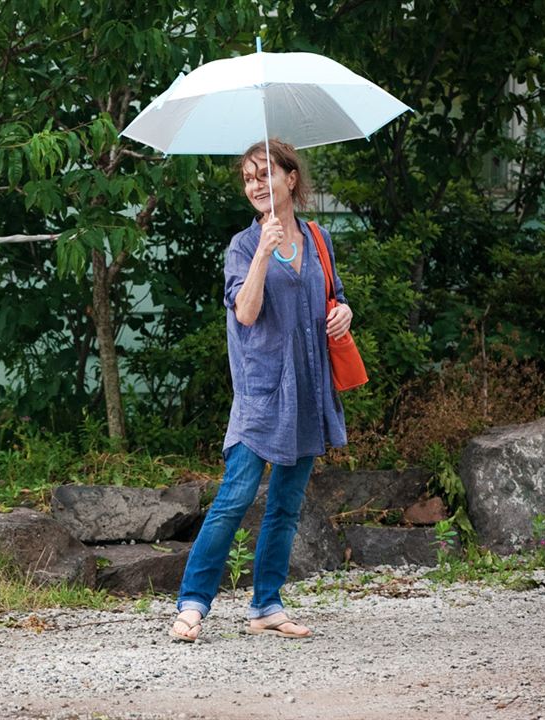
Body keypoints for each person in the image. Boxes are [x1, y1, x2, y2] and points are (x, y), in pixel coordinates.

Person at [169, 139, 351, 643]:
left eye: (263, 174)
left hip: (308, 387)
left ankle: (266, 604)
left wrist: (342, 313)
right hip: (262, 391)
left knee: (286, 504)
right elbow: (245, 312)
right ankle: (192, 603)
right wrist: (264, 252)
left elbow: (332, 299)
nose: (254, 185)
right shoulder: (243, 246)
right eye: (248, 178)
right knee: (235, 497)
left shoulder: (318, 238)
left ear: (290, 178)